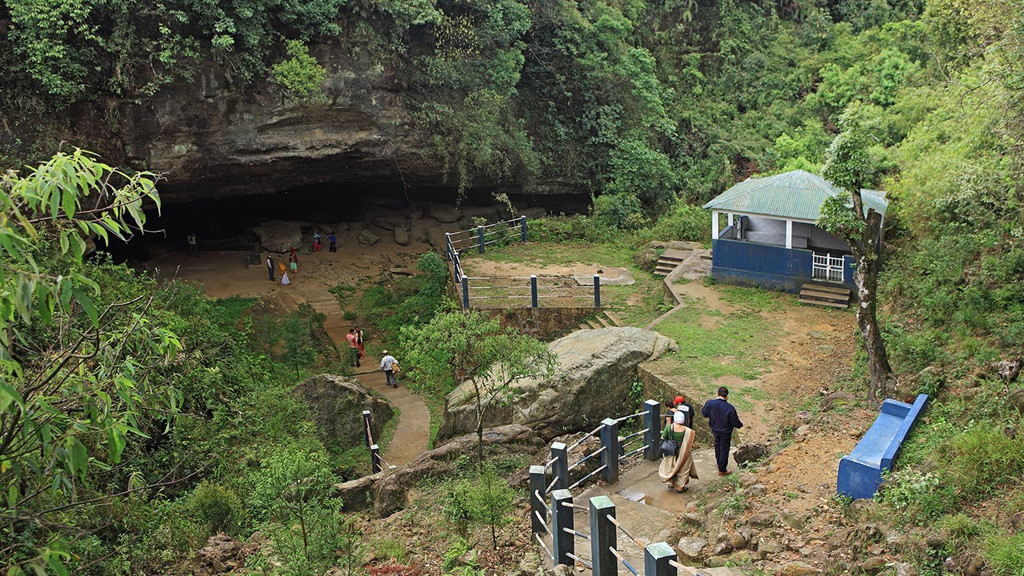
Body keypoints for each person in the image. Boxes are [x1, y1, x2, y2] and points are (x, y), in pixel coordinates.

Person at [701, 386, 743, 476]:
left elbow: (704, 413)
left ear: (717, 394)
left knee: (717, 446)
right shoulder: (729, 408)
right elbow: (735, 422)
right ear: (727, 396)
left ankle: (719, 463)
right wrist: (740, 425)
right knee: (724, 449)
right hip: (726, 431)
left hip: (715, 429)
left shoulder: (710, 404)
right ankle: (722, 469)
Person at [658, 410, 698, 493]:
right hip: (683, 452)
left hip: (671, 451)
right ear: (683, 419)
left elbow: (663, 438)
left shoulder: (669, 428)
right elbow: (690, 443)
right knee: (683, 468)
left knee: (670, 466)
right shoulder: (687, 430)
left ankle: (670, 482)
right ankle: (680, 486)